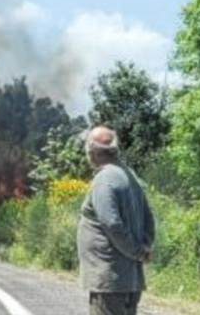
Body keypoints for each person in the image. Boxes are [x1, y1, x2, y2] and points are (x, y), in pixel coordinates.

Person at [78, 126, 156, 315]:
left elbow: (111, 223)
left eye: (87, 148)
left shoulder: (104, 180)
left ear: (94, 151)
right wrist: (145, 245)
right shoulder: (128, 176)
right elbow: (149, 217)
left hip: (110, 279)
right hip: (128, 279)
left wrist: (137, 251)